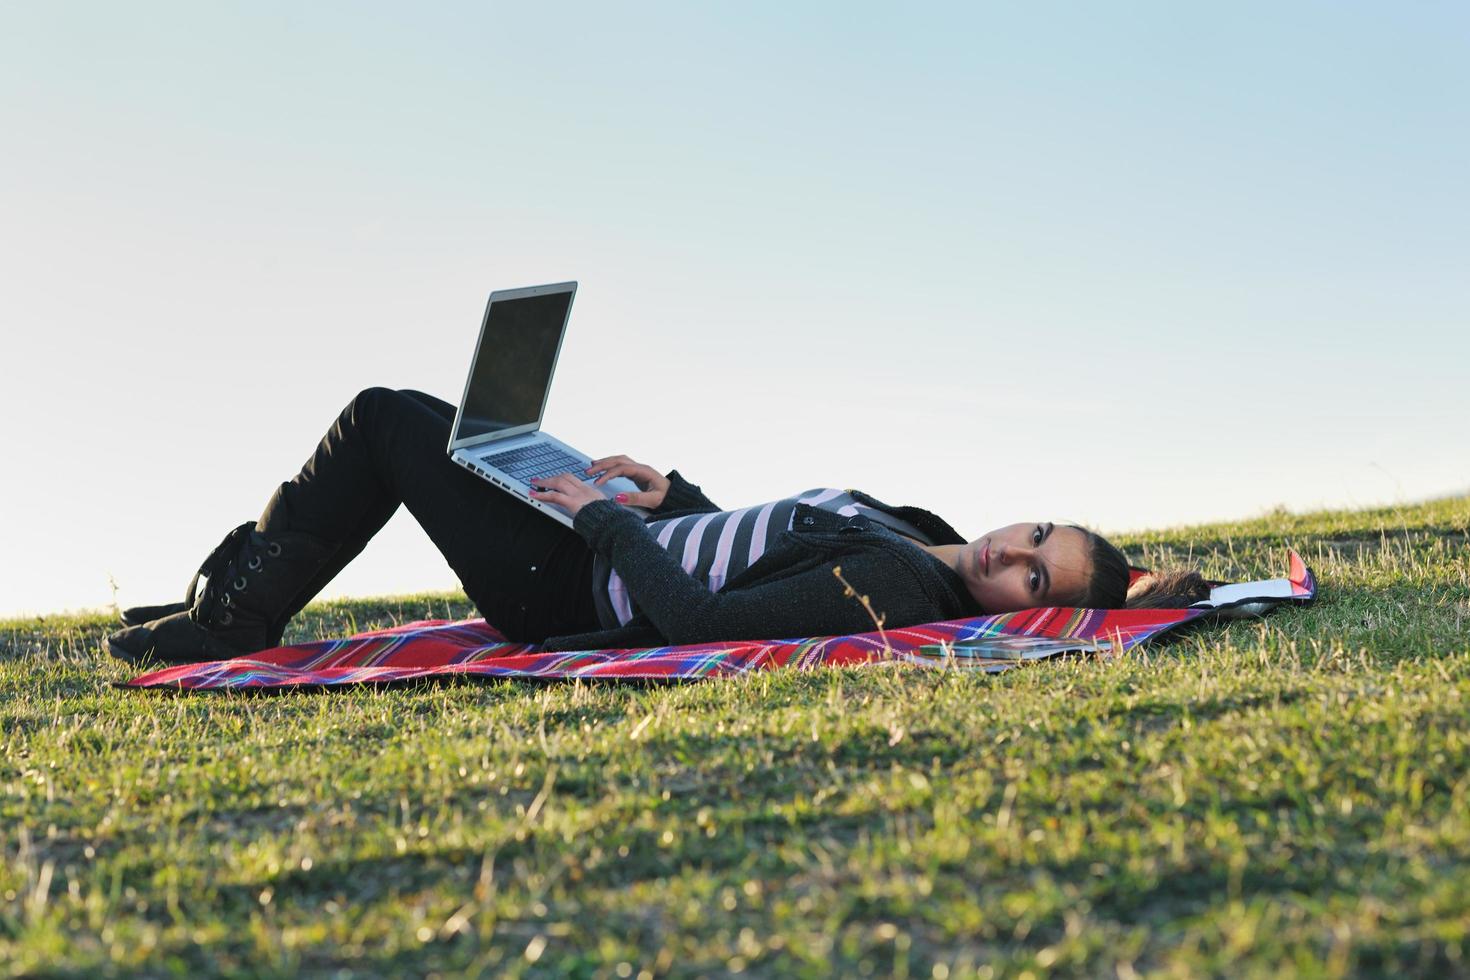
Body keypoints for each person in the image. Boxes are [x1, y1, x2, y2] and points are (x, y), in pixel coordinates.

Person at [105, 388, 1207, 665]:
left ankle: (229, 615)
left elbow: (698, 619)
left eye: (1030, 577)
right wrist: (667, 495)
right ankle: (230, 599)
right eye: (1038, 530)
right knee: (433, 421)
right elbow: (743, 538)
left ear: (1031, 608)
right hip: (608, 532)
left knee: (389, 423)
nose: (1010, 551)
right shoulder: (919, 529)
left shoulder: (902, 592)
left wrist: (599, 524)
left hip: (572, 584)